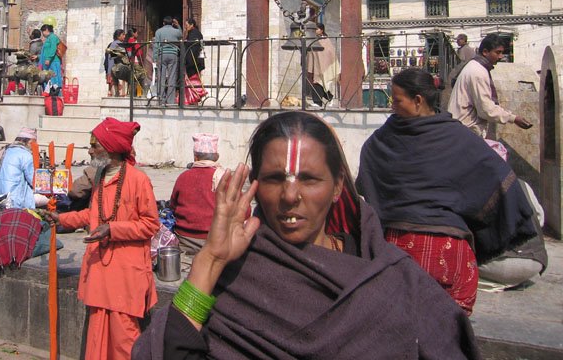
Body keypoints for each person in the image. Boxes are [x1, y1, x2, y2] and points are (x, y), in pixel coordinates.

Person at [133, 111, 481, 359]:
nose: (290, 196)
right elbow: (167, 351)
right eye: (274, 179)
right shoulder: (234, 276)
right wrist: (210, 259)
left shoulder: (390, 278)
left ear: (337, 186)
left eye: (309, 179)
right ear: (255, 185)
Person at [356, 68, 536, 315]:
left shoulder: (383, 139)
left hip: (397, 254)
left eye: (397, 101)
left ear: (418, 100)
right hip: (452, 256)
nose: (392, 107)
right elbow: (498, 176)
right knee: (449, 330)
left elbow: (367, 180)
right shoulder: (459, 137)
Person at [43, 118, 159, 360]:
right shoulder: (100, 177)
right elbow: (93, 214)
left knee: (124, 337)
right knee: (97, 335)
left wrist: (113, 229)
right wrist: (62, 219)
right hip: (100, 268)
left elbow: (150, 224)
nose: (90, 151)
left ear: (111, 149)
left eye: (94, 145)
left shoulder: (138, 180)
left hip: (125, 271)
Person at [448, 34, 532, 139]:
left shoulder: (476, 66)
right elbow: (486, 109)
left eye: (502, 53)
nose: (501, 56)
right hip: (465, 131)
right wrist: (513, 118)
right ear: (485, 52)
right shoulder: (478, 72)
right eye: (498, 52)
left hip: (461, 129)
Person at [169, 134, 221, 268]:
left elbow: (173, 205)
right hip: (215, 241)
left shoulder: (183, 177)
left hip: (185, 239)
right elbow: (244, 212)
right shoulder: (224, 178)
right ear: (217, 157)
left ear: (195, 157)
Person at [0, 127, 40, 209]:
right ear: (30, 142)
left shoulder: (1, 151)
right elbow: (34, 182)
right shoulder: (26, 155)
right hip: (11, 200)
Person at [305, 22, 336, 108]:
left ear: (322, 30)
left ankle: (328, 98)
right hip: (316, 65)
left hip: (324, 65)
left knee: (322, 83)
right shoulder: (313, 40)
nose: (315, 31)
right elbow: (312, 53)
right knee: (316, 83)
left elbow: (330, 52)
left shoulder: (326, 40)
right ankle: (320, 102)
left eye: (317, 29)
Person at [153, 16, 182, 106]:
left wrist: (155, 58)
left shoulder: (158, 31)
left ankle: (161, 99)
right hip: (173, 54)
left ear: (163, 23)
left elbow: (156, 45)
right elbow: (181, 35)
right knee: (172, 77)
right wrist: (178, 25)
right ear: (172, 23)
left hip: (162, 55)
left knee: (161, 77)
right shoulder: (176, 31)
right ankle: (170, 101)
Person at [183, 18, 207, 105]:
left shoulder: (195, 34)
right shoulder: (192, 33)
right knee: (190, 80)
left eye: (187, 25)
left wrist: (187, 61)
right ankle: (192, 99)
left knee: (193, 79)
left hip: (193, 61)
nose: (186, 27)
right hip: (193, 60)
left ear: (192, 25)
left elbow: (193, 48)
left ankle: (196, 97)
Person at [39, 24, 63, 88]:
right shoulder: (49, 38)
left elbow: (53, 49)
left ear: (46, 30)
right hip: (49, 63)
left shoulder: (53, 37)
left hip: (53, 61)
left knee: (53, 79)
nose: (42, 34)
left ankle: (55, 92)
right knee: (48, 79)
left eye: (42, 32)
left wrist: (48, 58)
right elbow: (46, 51)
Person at [105, 29, 127, 97]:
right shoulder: (116, 44)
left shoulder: (116, 43)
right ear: (118, 36)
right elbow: (111, 56)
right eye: (123, 34)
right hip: (115, 68)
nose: (124, 36)